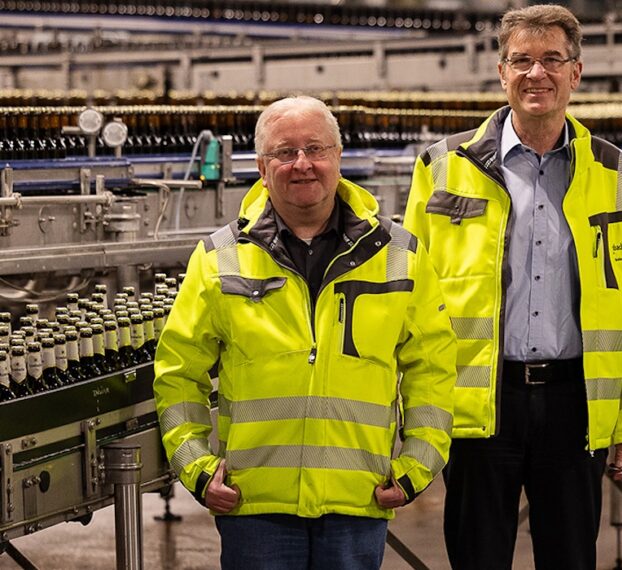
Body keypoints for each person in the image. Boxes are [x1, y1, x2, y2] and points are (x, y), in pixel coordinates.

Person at [402, 5, 622, 568]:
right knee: (476, 557)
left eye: (551, 60)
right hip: (477, 403)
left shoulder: (620, 178)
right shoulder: (444, 168)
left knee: (570, 557)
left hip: (577, 404)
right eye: (521, 60)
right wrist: (418, 417)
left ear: (576, 72)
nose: (535, 73)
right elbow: (413, 304)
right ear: (501, 72)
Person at [154, 95, 457, 570]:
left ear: (338, 157)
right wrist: (195, 467)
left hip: (358, 499)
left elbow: (433, 368)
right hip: (254, 505)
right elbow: (178, 371)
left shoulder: (399, 253)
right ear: (260, 165)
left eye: (315, 149)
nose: (302, 164)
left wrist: (416, 466)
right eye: (284, 152)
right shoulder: (218, 257)